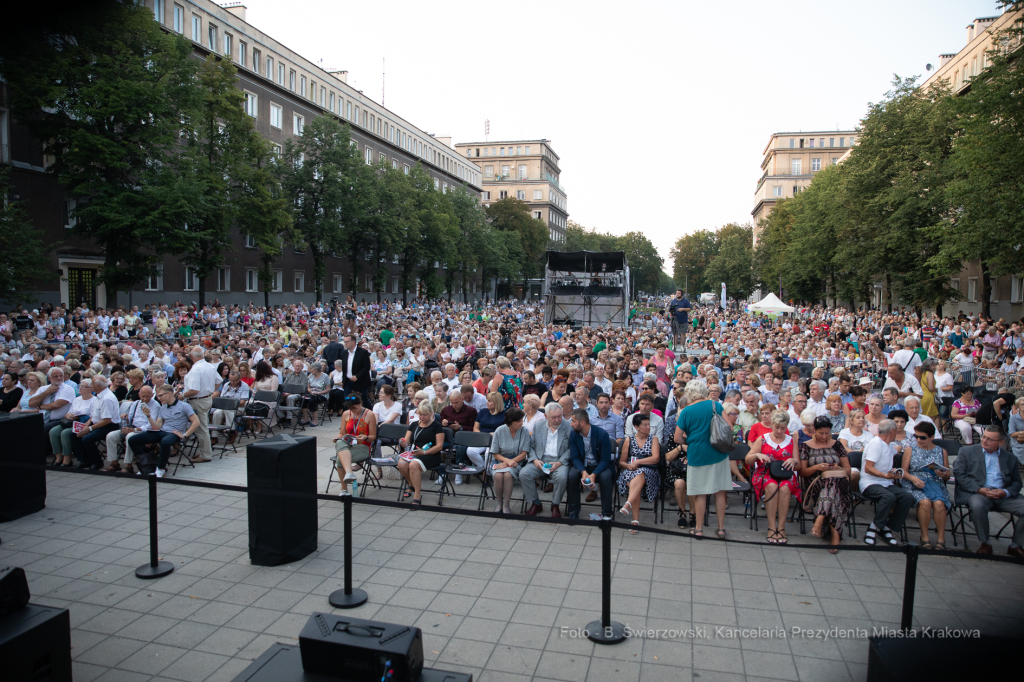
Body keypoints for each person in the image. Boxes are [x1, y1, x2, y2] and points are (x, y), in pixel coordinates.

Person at [952, 424, 1024, 558]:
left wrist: (1005, 492)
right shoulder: (967, 452)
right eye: (984, 437)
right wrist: (980, 489)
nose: (985, 441)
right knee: (977, 505)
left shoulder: (1010, 458)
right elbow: (960, 475)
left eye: (990, 439)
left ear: (1001, 442)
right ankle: (985, 543)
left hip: (1003, 494)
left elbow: (1017, 482)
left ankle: (1016, 545)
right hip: (977, 492)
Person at [675, 380, 730, 538]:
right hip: (719, 453)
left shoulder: (686, 411)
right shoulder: (716, 405)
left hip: (697, 454)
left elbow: (677, 437)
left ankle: (698, 528)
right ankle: (721, 528)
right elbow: (729, 428)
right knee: (720, 492)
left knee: (700, 493)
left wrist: (692, 439)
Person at [798, 416, 852, 554]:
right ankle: (835, 537)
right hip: (815, 483)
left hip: (838, 481)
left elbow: (847, 470)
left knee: (832, 483)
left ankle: (819, 519)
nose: (824, 436)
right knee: (834, 494)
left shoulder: (837, 445)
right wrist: (817, 467)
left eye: (827, 433)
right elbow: (803, 472)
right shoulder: (806, 446)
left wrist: (836, 468)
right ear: (814, 431)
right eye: (821, 433)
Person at [746, 410, 801, 544]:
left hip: (785, 474)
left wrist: (794, 461)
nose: (779, 431)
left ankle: (781, 527)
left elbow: (799, 466)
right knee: (771, 486)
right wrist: (756, 455)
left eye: (783, 428)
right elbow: (747, 459)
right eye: (776, 427)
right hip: (765, 473)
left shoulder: (791, 440)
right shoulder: (764, 438)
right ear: (772, 425)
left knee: (785, 487)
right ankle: (771, 526)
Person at [859, 419, 916, 546]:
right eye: (896, 431)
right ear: (891, 431)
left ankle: (886, 527)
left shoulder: (889, 446)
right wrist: (885, 475)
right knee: (888, 497)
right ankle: (873, 528)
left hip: (886, 483)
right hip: (870, 482)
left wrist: (893, 472)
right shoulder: (876, 444)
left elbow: (896, 451)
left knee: (907, 498)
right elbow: (868, 468)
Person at [129, 384, 200, 478]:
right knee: (132, 440)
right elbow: (157, 426)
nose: (159, 398)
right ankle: (147, 465)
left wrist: (185, 435)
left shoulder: (184, 406)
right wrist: (149, 416)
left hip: (174, 432)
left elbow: (196, 422)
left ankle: (161, 468)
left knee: (165, 442)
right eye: (158, 396)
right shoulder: (162, 407)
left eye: (160, 395)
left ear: (169, 394)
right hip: (162, 431)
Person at [901, 421, 951, 549]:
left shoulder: (941, 451)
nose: (918, 440)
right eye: (916, 436)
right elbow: (903, 472)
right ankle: (924, 536)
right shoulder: (910, 450)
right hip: (915, 483)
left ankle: (941, 538)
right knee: (925, 502)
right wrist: (912, 478)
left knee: (939, 504)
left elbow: (947, 474)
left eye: (922, 437)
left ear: (932, 437)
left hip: (935, 483)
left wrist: (943, 475)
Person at [523, 403, 572, 517]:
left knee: (562, 477)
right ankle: (536, 503)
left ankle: (555, 505)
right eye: (553, 417)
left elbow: (572, 449)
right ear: (546, 416)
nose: (557, 420)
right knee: (524, 474)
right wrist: (534, 459)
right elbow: (530, 445)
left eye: (559, 416)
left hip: (560, 460)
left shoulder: (569, 426)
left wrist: (559, 463)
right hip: (541, 459)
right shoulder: (538, 425)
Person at [566, 408, 615, 520]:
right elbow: (574, 457)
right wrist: (583, 471)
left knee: (605, 477)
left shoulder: (602, 434)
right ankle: (574, 510)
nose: (571, 424)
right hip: (583, 464)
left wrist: (594, 474)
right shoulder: (574, 435)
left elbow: (605, 459)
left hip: (599, 465)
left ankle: (606, 512)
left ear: (582, 422)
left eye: (573, 421)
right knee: (572, 475)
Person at [617, 413, 661, 534]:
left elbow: (655, 458)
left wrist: (638, 462)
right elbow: (622, 462)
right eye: (645, 425)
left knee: (640, 474)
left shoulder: (654, 439)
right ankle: (634, 519)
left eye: (649, 424)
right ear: (636, 427)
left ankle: (630, 508)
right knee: (636, 477)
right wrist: (629, 465)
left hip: (649, 471)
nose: (648, 427)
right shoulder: (628, 440)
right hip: (631, 471)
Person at [396, 403, 445, 506]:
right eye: (420, 414)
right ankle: (410, 484)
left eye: (425, 415)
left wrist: (423, 452)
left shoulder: (436, 425)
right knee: (401, 463)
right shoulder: (414, 425)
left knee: (413, 465)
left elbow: (439, 446)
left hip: (431, 454)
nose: (422, 417)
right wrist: (402, 442)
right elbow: (407, 442)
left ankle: (417, 495)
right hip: (415, 453)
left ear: (431, 413)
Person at [103, 385, 159, 473]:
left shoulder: (155, 405)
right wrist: (125, 417)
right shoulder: (136, 403)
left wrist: (134, 430)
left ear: (152, 395)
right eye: (143, 396)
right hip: (133, 427)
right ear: (139, 395)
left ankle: (128, 465)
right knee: (111, 436)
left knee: (130, 437)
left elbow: (151, 426)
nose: (145, 399)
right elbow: (130, 419)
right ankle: (114, 463)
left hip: (145, 431)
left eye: (148, 396)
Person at [68, 375, 120, 470]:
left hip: (109, 426)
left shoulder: (106, 398)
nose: (91, 386)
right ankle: (84, 460)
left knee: (87, 439)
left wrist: (90, 428)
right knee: (74, 434)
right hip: (98, 423)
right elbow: (95, 414)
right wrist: (87, 424)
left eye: (92, 384)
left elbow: (107, 420)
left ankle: (97, 462)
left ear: (97, 386)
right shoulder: (100, 395)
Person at [488, 407, 530, 515]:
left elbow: (524, 453)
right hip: (500, 459)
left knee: (507, 475)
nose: (521, 423)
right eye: (518, 421)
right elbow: (495, 453)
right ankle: (499, 504)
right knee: (498, 476)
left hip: (517, 460)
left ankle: (506, 505)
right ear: (510, 422)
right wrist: (506, 461)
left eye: (522, 420)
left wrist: (509, 462)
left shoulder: (524, 431)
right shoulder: (499, 430)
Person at [333, 394, 377, 496]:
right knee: (339, 442)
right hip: (348, 444)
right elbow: (342, 433)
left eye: (354, 408)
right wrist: (337, 437)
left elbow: (372, 436)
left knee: (340, 460)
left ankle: (344, 489)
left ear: (360, 404)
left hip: (363, 446)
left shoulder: (369, 414)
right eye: (350, 408)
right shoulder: (346, 414)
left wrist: (365, 437)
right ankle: (349, 473)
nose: (352, 411)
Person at [182, 346, 218, 463]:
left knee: (201, 428)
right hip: (206, 399)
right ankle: (204, 451)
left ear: (192, 357)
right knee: (202, 427)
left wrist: (182, 396)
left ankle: (206, 454)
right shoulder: (210, 366)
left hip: (198, 400)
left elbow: (194, 390)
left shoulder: (196, 369)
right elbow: (219, 381)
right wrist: (210, 390)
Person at [48, 378, 95, 467]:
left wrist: (86, 425)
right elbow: (68, 412)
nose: (80, 388)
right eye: (80, 386)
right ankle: (58, 457)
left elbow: (93, 416)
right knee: (53, 431)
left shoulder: (94, 400)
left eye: (84, 387)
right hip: (72, 421)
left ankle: (67, 458)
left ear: (90, 388)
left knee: (65, 433)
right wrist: (69, 415)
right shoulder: (77, 399)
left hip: (83, 423)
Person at [340, 333, 372, 405]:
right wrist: (343, 380)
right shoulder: (345, 353)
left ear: (353, 342)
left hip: (360, 381)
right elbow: (344, 368)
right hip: (348, 381)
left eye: (347, 342)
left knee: (362, 400)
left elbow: (366, 367)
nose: (345, 343)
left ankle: (371, 414)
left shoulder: (362, 352)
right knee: (347, 400)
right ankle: (350, 415)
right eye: (344, 341)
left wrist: (357, 376)